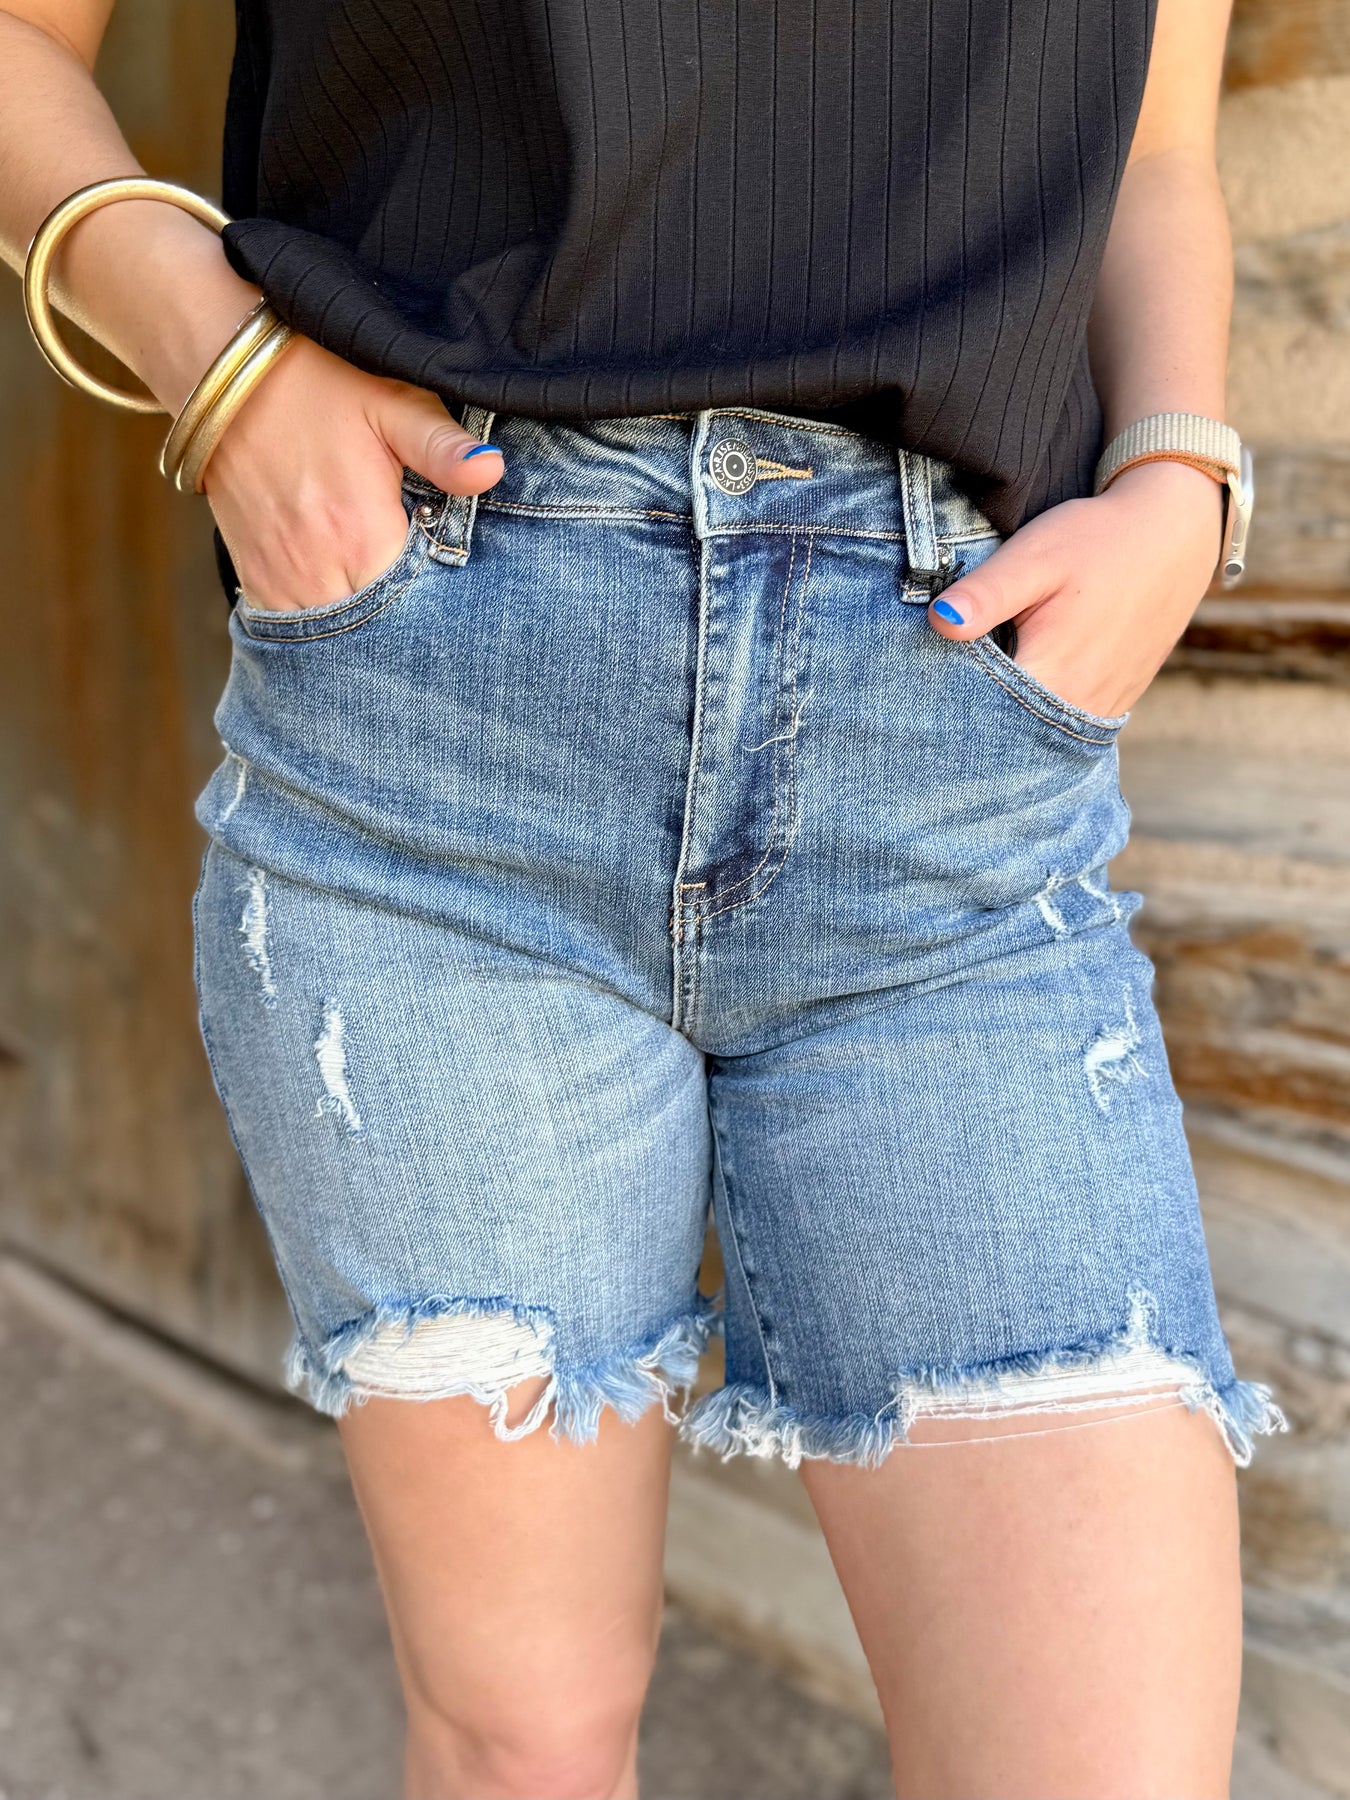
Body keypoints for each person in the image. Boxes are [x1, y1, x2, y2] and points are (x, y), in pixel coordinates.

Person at [2, 0, 1284, 1794]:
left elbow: (1147, 148)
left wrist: (1175, 475)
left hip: (944, 778)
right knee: (520, 1744)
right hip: (439, 734)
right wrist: (223, 369)